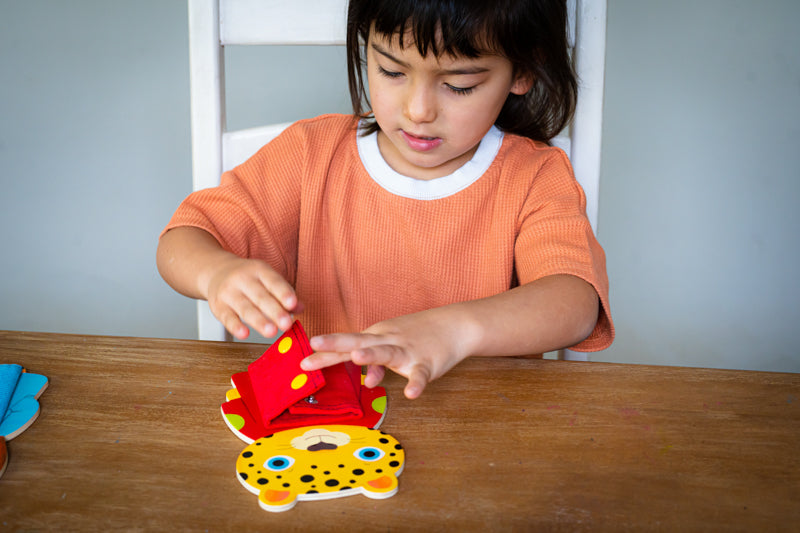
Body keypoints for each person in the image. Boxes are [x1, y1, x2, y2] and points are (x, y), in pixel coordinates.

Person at [157, 0, 614, 399]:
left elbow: (575, 303)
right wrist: (217, 273)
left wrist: (454, 332)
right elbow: (181, 243)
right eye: (392, 71)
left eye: (459, 85)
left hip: (487, 430)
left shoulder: (534, 175)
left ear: (524, 70)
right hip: (331, 429)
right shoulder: (310, 154)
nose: (418, 111)